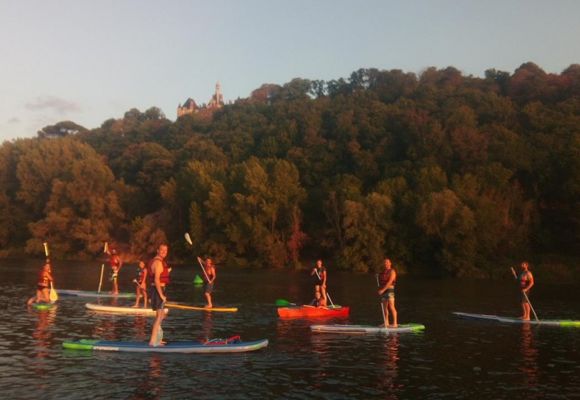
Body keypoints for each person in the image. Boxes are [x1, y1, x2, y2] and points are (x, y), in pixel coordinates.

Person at [148, 244, 170, 346]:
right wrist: (161, 295)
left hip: (159, 290)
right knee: (159, 317)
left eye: (166, 251)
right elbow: (156, 280)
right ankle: (152, 341)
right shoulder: (157, 262)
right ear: (158, 250)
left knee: (161, 315)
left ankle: (158, 339)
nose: (164, 252)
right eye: (162, 250)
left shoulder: (159, 262)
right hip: (158, 290)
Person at [377, 258, 398, 328]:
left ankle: (395, 323)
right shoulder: (382, 272)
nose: (386, 264)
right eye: (385, 263)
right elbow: (381, 280)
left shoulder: (392, 271)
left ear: (390, 263)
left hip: (389, 290)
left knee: (391, 306)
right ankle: (386, 323)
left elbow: (390, 282)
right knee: (384, 308)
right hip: (384, 291)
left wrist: (382, 290)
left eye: (387, 262)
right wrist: (377, 276)